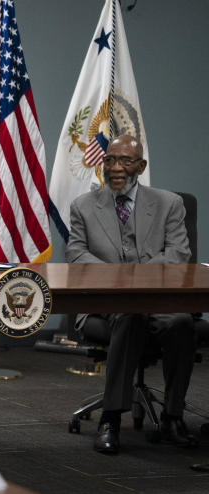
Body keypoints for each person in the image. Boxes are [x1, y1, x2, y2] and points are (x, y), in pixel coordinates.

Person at [67, 135, 196, 455]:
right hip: (104, 304)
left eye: (125, 161)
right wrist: (119, 281)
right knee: (129, 315)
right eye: (110, 160)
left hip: (158, 300)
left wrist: (135, 278)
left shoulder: (169, 204)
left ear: (141, 166)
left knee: (182, 322)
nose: (115, 168)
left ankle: (173, 416)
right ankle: (110, 418)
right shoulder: (83, 206)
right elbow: (76, 254)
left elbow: (179, 254)